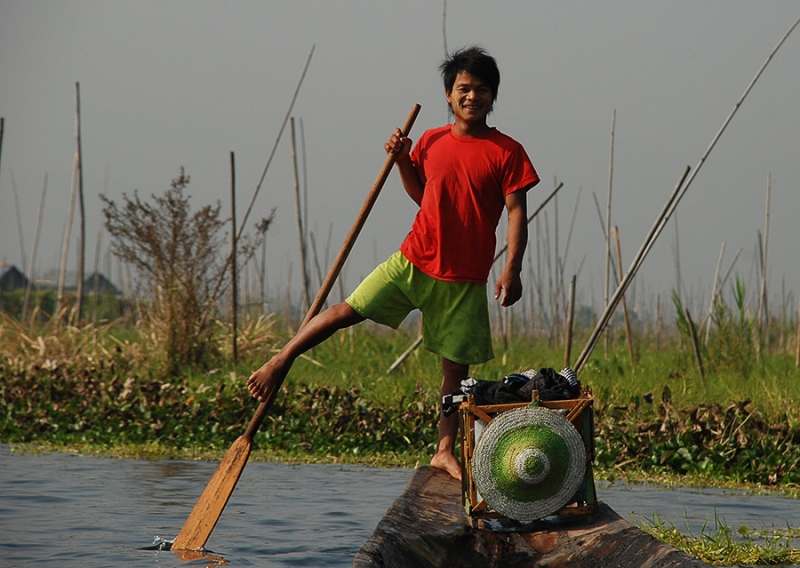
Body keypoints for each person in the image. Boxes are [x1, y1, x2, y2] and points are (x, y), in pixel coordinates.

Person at [247, 46, 539, 480]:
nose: (471, 96)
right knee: (345, 311)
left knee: (455, 374)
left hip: (464, 278)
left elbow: (516, 211)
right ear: (448, 94)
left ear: (493, 97)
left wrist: (512, 267)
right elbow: (424, 196)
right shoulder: (432, 141)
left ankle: (443, 450)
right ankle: (281, 359)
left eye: (481, 90)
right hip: (413, 259)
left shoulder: (506, 151)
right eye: (463, 88)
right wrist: (404, 160)